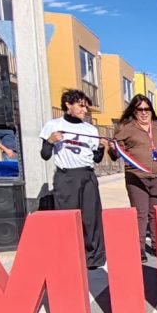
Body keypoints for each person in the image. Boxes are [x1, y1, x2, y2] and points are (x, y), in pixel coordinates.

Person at [39, 89, 106, 269]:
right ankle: (68, 255)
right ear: (68, 105)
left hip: (87, 174)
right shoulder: (53, 125)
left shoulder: (90, 129)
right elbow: (45, 155)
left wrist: (101, 148)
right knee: (67, 218)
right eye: (81, 106)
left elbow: (97, 159)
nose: (85, 110)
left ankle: (93, 258)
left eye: (86, 107)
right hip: (66, 176)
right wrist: (50, 141)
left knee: (91, 218)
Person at [109, 94, 157, 261]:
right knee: (141, 213)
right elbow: (116, 153)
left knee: (156, 212)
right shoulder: (126, 128)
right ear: (134, 111)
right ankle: (138, 248)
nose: (144, 113)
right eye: (140, 110)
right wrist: (112, 148)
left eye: (147, 109)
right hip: (136, 176)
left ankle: (156, 245)